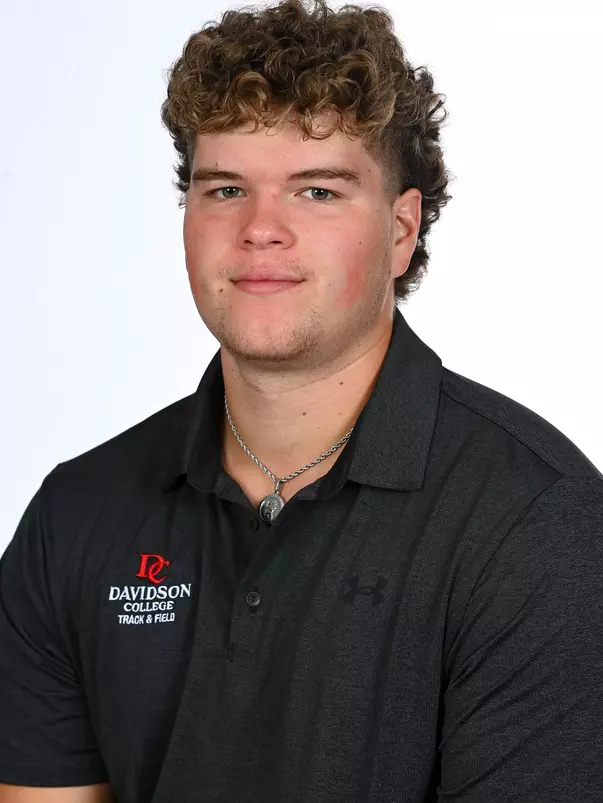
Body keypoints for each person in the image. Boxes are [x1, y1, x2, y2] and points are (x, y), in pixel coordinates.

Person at [1, 0, 602, 800]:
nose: (260, 229)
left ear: (400, 230)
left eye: (316, 191)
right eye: (223, 190)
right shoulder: (77, 513)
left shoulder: (537, 522)